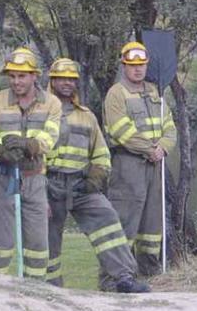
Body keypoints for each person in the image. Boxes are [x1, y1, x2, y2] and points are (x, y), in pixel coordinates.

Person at [45, 58, 149, 293]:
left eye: (71, 79)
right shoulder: (41, 114)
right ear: (51, 82)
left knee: (108, 220)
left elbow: (101, 153)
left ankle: (123, 278)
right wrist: (37, 187)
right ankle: (49, 289)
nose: (67, 83)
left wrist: (95, 178)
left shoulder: (87, 116)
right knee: (47, 240)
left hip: (81, 185)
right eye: (61, 78)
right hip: (48, 185)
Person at [0, 47, 61, 279]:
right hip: (1, 177)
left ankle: (34, 293)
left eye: (22, 76)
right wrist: (0, 151)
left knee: (37, 245)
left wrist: (30, 146)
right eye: (12, 76)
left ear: (34, 76)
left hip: (34, 178)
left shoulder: (52, 103)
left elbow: (50, 136)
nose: (16, 82)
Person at [104, 41, 176, 276]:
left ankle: (150, 273)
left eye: (141, 65)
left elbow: (170, 128)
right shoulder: (116, 93)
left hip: (155, 165)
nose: (137, 69)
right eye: (132, 65)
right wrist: (149, 149)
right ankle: (114, 278)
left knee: (152, 224)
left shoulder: (155, 92)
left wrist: (163, 148)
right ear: (124, 66)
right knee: (125, 221)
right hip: (128, 164)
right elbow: (120, 130)